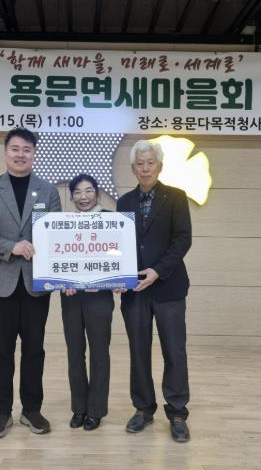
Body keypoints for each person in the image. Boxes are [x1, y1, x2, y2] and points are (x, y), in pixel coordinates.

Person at [0, 127, 61, 438]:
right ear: (6, 152)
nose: (21, 154)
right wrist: (11, 246)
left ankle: (32, 410)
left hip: (37, 282)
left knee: (34, 348)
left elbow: (56, 234)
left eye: (27, 150)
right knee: (2, 349)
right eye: (15, 149)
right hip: (1, 280)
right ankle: (2, 412)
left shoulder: (48, 191)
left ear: (34, 154)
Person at [115, 139, 192, 443]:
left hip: (168, 287)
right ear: (133, 169)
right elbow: (118, 246)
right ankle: (143, 408)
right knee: (138, 350)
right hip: (134, 289)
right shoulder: (124, 202)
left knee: (174, 350)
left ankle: (177, 412)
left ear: (160, 166)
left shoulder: (176, 197)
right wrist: (116, 276)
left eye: (150, 163)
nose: (145, 168)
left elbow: (182, 240)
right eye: (140, 164)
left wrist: (157, 271)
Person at [61, 174, 114, 431]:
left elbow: (119, 256)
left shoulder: (112, 220)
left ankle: (96, 410)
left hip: (99, 298)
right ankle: (79, 408)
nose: (84, 197)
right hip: (71, 297)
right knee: (74, 353)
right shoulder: (63, 224)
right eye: (78, 192)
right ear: (71, 197)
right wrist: (63, 281)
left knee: (99, 354)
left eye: (89, 191)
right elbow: (57, 258)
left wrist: (111, 280)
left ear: (98, 194)